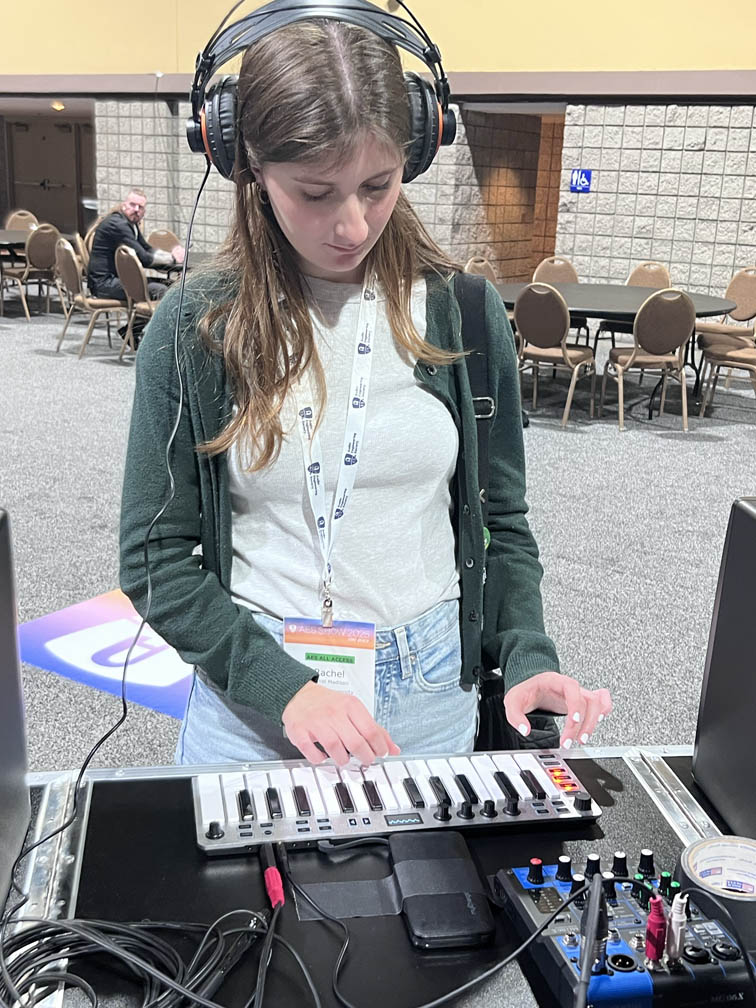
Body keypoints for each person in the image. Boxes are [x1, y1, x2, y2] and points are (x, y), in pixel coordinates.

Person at [119, 10, 612, 770]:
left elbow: (501, 524)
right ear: (246, 164)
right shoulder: (195, 326)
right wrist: (282, 687)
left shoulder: (466, 314)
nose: (352, 225)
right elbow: (154, 557)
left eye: (377, 186)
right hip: (255, 702)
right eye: (315, 193)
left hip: (432, 687)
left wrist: (525, 654)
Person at [87, 189, 185, 303]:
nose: (136, 210)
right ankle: (153, 314)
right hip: (104, 284)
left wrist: (171, 255)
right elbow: (144, 258)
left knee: (172, 285)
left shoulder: (129, 223)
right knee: (161, 290)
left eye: (140, 207)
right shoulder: (117, 224)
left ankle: (147, 316)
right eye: (132, 205)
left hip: (117, 280)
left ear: (144, 211)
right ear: (124, 205)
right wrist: (173, 258)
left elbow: (147, 248)